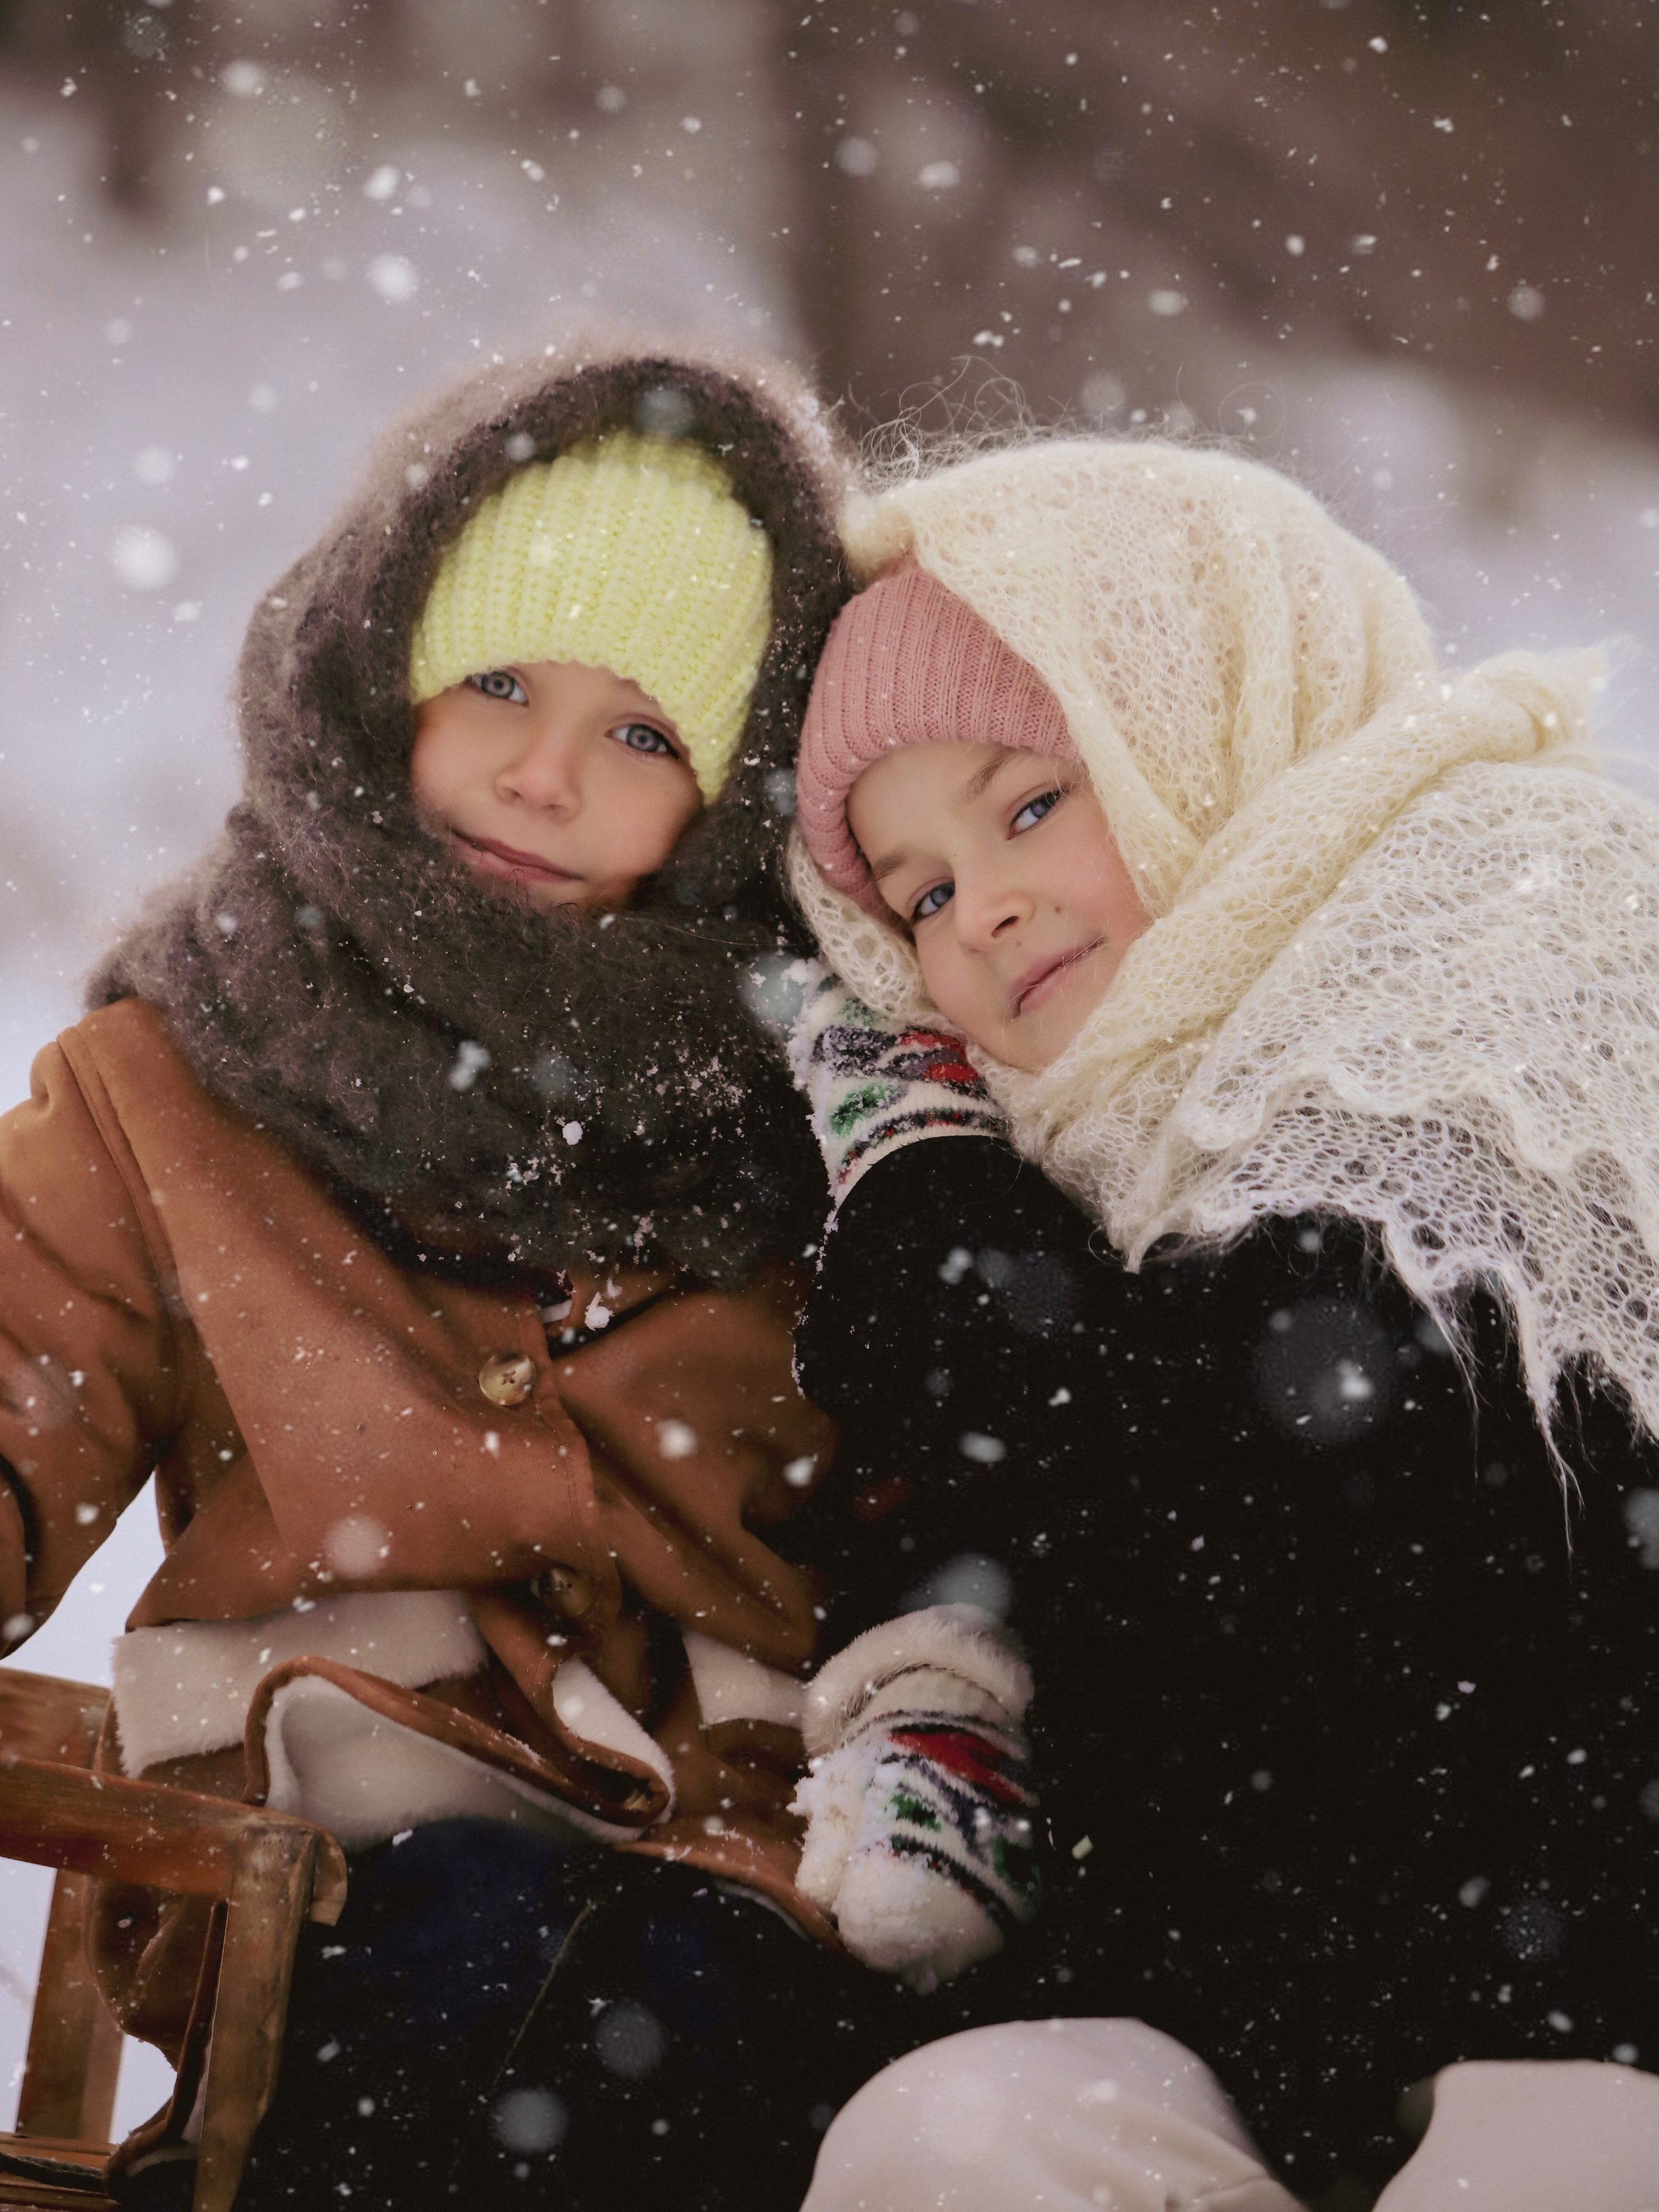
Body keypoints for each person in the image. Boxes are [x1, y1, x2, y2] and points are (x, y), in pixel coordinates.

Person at [0, 342, 1015, 2212]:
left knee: (693, 2014)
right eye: (498, 684)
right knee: (473, 1936)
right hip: (324, 1872)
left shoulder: (821, 1123)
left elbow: (953, 1497)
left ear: (728, 799)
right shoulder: (166, 1093)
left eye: (644, 737)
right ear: (381, 674)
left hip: (735, 1886)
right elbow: (18, 1375)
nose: (544, 776)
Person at [780, 436, 1659, 2210]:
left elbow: (1256, 1480)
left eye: (1033, 804)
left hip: (1592, 2008)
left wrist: (928, 1201)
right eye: (920, 894)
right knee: (945, 2142)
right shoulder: (1111, 1150)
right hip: (1305, 2036)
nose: (984, 905)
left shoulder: (1509, 943)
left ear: (1196, 721)